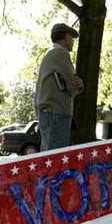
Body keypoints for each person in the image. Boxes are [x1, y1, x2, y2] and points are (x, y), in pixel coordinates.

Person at [35, 23, 83, 151]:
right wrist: (80, 84)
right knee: (56, 158)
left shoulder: (49, 56)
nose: (73, 41)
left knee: (48, 155)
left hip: (47, 113)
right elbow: (73, 85)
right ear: (65, 37)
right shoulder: (61, 54)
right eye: (71, 37)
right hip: (57, 113)